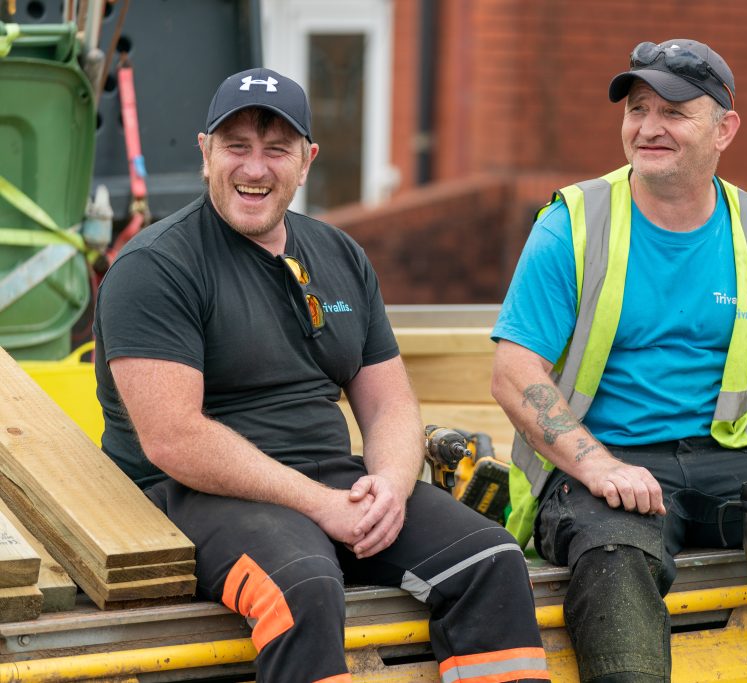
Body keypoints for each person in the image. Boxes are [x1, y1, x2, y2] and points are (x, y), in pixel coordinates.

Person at [93, 67, 549, 683]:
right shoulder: (156, 267)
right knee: (305, 587)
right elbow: (173, 438)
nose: (255, 169)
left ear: (305, 161)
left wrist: (389, 484)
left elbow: (389, 404)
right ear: (205, 154)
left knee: (492, 559)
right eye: (237, 147)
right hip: (192, 494)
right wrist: (322, 505)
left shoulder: (338, 255)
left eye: (276, 150)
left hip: (333, 481)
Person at [491, 39, 747, 683]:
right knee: (617, 551)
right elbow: (514, 371)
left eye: (674, 111)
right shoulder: (573, 223)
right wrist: (597, 465)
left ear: (724, 129)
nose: (648, 128)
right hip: (609, 461)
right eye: (637, 109)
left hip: (729, 456)